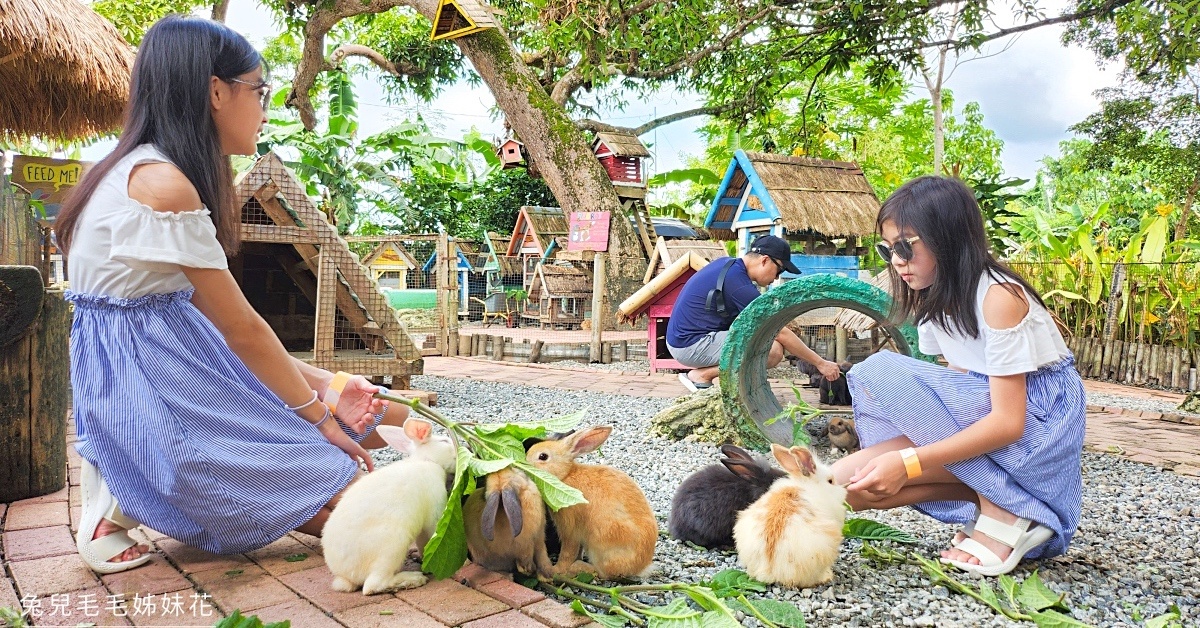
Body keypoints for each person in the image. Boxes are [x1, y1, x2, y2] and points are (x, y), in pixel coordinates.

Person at [54, 15, 410, 575]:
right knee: (336, 474)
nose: (266, 105)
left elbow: (209, 332)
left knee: (386, 415)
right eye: (260, 89)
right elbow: (240, 330)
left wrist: (333, 387)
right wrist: (320, 419)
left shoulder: (139, 169)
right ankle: (119, 502)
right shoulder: (163, 185)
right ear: (216, 91)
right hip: (154, 394)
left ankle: (125, 496)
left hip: (174, 368)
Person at [834, 176, 1085, 577]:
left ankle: (1004, 510)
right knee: (849, 490)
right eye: (887, 249)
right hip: (985, 415)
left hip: (1038, 428)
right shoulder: (936, 299)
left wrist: (910, 462)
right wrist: (903, 463)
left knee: (877, 370)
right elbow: (951, 392)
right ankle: (1010, 502)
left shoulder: (999, 297)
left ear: (949, 239)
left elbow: (1008, 422)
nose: (896, 260)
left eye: (905, 246)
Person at [665, 234, 841, 391]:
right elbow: (778, 332)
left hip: (686, 339)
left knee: (766, 341)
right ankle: (701, 375)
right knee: (773, 350)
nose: (777, 278)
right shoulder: (739, 285)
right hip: (690, 345)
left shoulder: (729, 266)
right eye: (779, 270)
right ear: (765, 260)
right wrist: (821, 363)